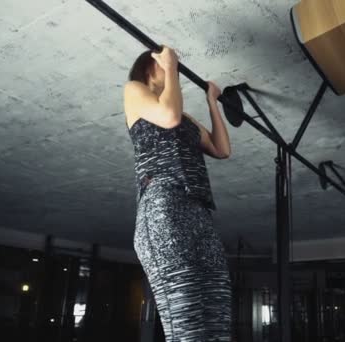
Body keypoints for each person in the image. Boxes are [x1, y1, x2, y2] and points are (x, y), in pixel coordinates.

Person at [124, 45, 232, 341]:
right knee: (188, 326)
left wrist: (212, 102)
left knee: (218, 313)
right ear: (150, 65)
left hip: (198, 210)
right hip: (163, 205)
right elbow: (168, 117)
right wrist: (171, 66)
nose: (175, 70)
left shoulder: (185, 117)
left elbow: (222, 150)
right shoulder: (134, 90)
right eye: (164, 63)